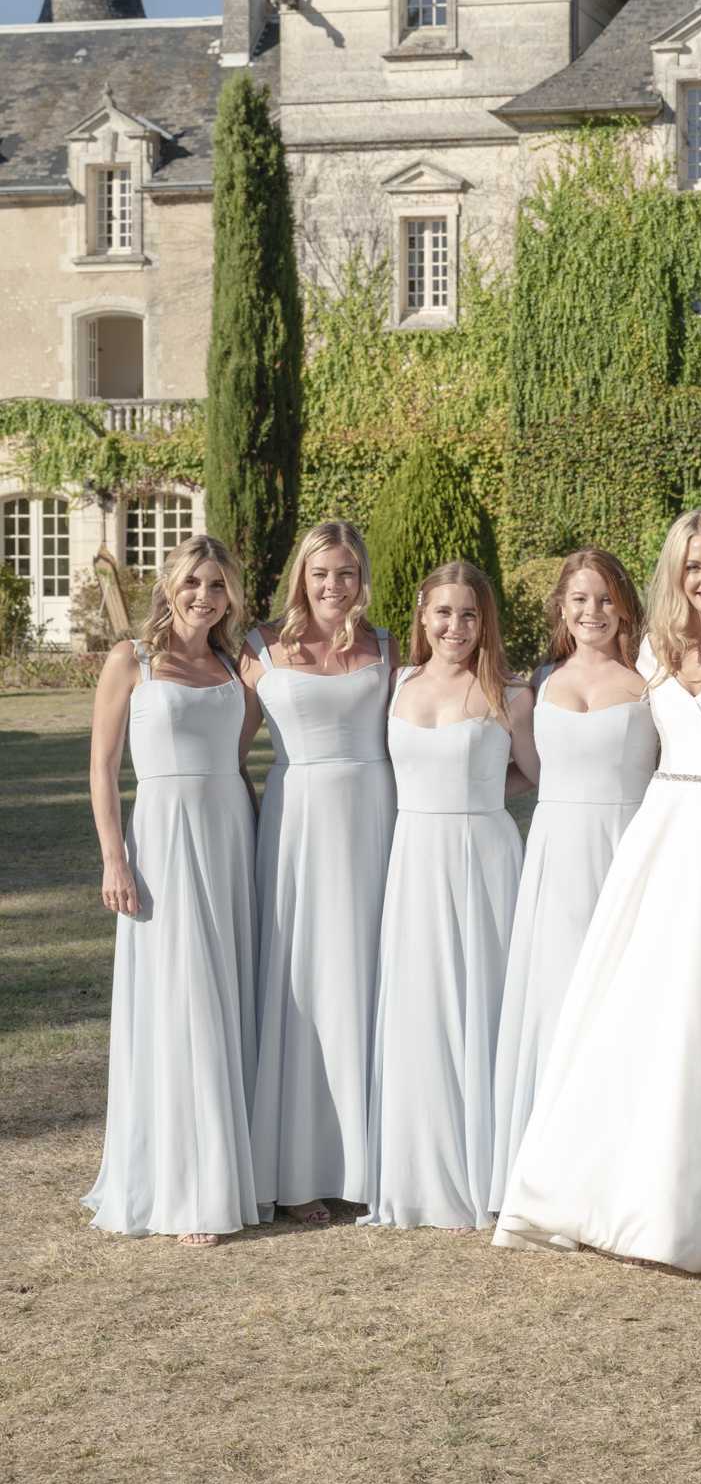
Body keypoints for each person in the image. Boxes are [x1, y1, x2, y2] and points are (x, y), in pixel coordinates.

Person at [495, 508, 701, 1273]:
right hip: (663, 836)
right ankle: (627, 1187)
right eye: (693, 567)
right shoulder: (653, 653)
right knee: (645, 1011)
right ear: (674, 576)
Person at [84, 536, 260, 1244]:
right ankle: (185, 1186)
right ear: (169, 585)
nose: (203, 597)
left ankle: (234, 1166)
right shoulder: (133, 660)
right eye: (193, 583)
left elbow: (241, 760)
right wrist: (114, 859)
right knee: (177, 999)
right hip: (159, 842)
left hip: (229, 838)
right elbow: (100, 768)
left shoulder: (234, 665)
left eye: (217, 586)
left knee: (226, 994)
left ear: (230, 596)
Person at [361, 562, 537, 1229]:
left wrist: (481, 793)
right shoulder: (396, 683)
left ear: (484, 620)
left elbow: (538, 774)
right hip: (414, 859)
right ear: (422, 614)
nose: (455, 627)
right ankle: (420, 1168)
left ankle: (490, 1170)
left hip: (482, 856)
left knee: (484, 999)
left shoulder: (509, 694)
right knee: (422, 1002)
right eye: (443, 613)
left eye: (468, 615)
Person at [488, 549, 656, 1206]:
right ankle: (549, 1168)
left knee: (623, 1003)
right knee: (557, 1004)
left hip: (627, 852)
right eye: (580, 599)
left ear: (626, 606)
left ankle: (621, 1168)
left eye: (606, 599)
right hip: (555, 861)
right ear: (561, 606)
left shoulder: (650, 685)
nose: (592, 612)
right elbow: (523, 773)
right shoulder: (535, 687)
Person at [240, 521, 396, 1225]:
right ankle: (299, 1169)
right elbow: (226, 749)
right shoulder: (259, 649)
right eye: (322, 572)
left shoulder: (388, 647)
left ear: (363, 578)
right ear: (301, 575)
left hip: (377, 820)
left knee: (370, 978)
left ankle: (371, 1164)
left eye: (347, 573)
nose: (334, 586)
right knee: (304, 982)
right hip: (298, 822)